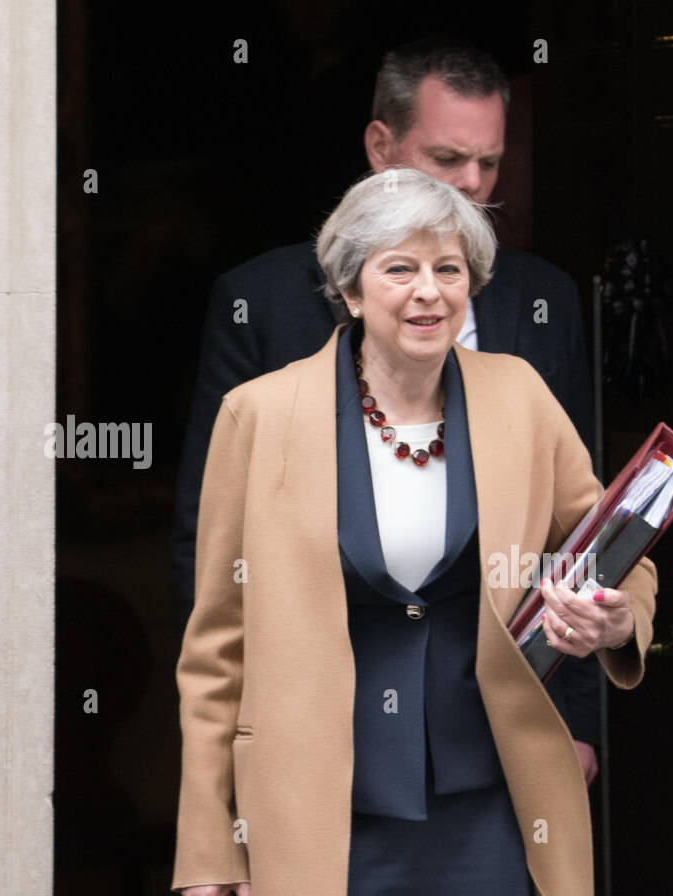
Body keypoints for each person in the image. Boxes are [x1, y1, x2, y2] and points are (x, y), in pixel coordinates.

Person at [172, 167, 657, 896]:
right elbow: (214, 643)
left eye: (449, 267)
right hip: (336, 823)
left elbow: (612, 542)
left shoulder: (515, 396)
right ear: (351, 288)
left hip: (483, 811)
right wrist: (210, 838)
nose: (428, 291)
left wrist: (609, 618)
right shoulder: (261, 416)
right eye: (399, 269)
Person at [171, 38, 604, 789]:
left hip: (500, 747)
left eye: (490, 164)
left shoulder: (544, 305)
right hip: (318, 748)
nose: (473, 187)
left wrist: (575, 722)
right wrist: (233, 765)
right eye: (446, 160)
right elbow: (207, 554)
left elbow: (579, 542)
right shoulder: (262, 305)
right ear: (380, 146)